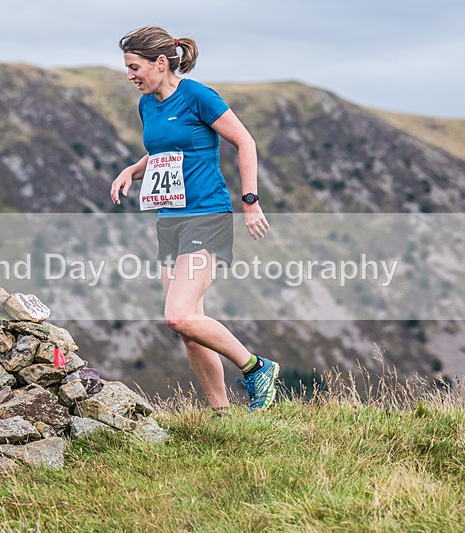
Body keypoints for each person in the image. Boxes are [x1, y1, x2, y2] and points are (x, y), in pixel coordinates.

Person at [110, 26, 279, 414]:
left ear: (161, 62)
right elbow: (165, 152)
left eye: (135, 67)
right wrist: (132, 170)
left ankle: (257, 368)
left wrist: (250, 201)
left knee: (178, 315)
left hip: (207, 216)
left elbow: (244, 141)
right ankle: (220, 413)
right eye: (127, 68)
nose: (130, 75)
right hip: (169, 221)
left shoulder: (198, 96)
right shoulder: (147, 104)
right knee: (190, 329)